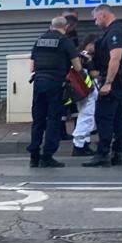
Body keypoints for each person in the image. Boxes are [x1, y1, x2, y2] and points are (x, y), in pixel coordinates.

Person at [82, 4, 122, 169]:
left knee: (104, 117)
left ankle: (103, 154)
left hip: (114, 81)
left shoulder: (115, 32)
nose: (95, 22)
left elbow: (115, 58)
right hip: (121, 79)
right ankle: (118, 154)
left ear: (103, 15)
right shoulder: (120, 30)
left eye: (96, 18)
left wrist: (108, 82)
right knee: (118, 118)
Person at [27, 14, 80, 168]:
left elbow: (32, 67)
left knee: (38, 121)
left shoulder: (39, 40)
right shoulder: (66, 42)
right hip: (56, 85)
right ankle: (47, 156)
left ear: (51, 26)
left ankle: (34, 156)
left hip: (39, 84)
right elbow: (77, 67)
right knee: (53, 120)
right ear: (66, 27)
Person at [69, 34, 100, 155]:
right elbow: (92, 74)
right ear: (88, 44)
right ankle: (79, 146)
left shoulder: (80, 55)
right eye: (93, 44)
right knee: (86, 117)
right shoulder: (84, 56)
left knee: (88, 117)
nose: (94, 47)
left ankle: (84, 143)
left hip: (84, 91)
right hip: (86, 91)